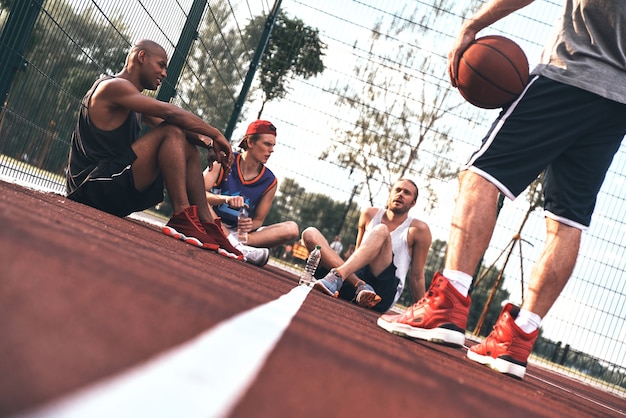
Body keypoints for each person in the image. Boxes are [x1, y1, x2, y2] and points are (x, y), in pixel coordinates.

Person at [378, 0, 626, 380]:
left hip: (570, 72)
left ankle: (448, 303)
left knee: (480, 175)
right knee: (566, 220)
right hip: (616, 106)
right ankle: (519, 337)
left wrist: (472, 24)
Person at [65, 39, 244, 260]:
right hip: (92, 188)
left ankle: (207, 221)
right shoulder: (113, 87)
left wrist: (208, 144)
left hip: (110, 188)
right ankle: (181, 214)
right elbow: (170, 115)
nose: (164, 73)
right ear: (141, 57)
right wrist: (216, 134)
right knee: (172, 132)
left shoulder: (133, 101)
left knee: (179, 136)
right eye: (161, 65)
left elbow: (177, 126)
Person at [302, 179, 432, 313]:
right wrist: (356, 280)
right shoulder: (369, 214)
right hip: (355, 281)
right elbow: (358, 254)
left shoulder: (419, 230)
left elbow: (416, 277)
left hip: (383, 292)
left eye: (407, 193)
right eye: (397, 190)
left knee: (381, 230)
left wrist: (423, 311)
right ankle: (358, 284)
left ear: (413, 203)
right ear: (390, 194)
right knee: (310, 233)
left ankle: (337, 276)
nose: (400, 194)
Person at [203, 120, 299, 265]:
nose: (271, 150)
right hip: (212, 221)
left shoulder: (270, 181)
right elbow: (197, 193)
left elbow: (259, 220)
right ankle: (234, 245)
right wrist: (225, 199)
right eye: (267, 144)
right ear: (250, 142)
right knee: (201, 201)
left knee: (292, 229)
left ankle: (236, 244)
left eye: (273, 145)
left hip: (238, 233)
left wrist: (249, 225)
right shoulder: (224, 160)